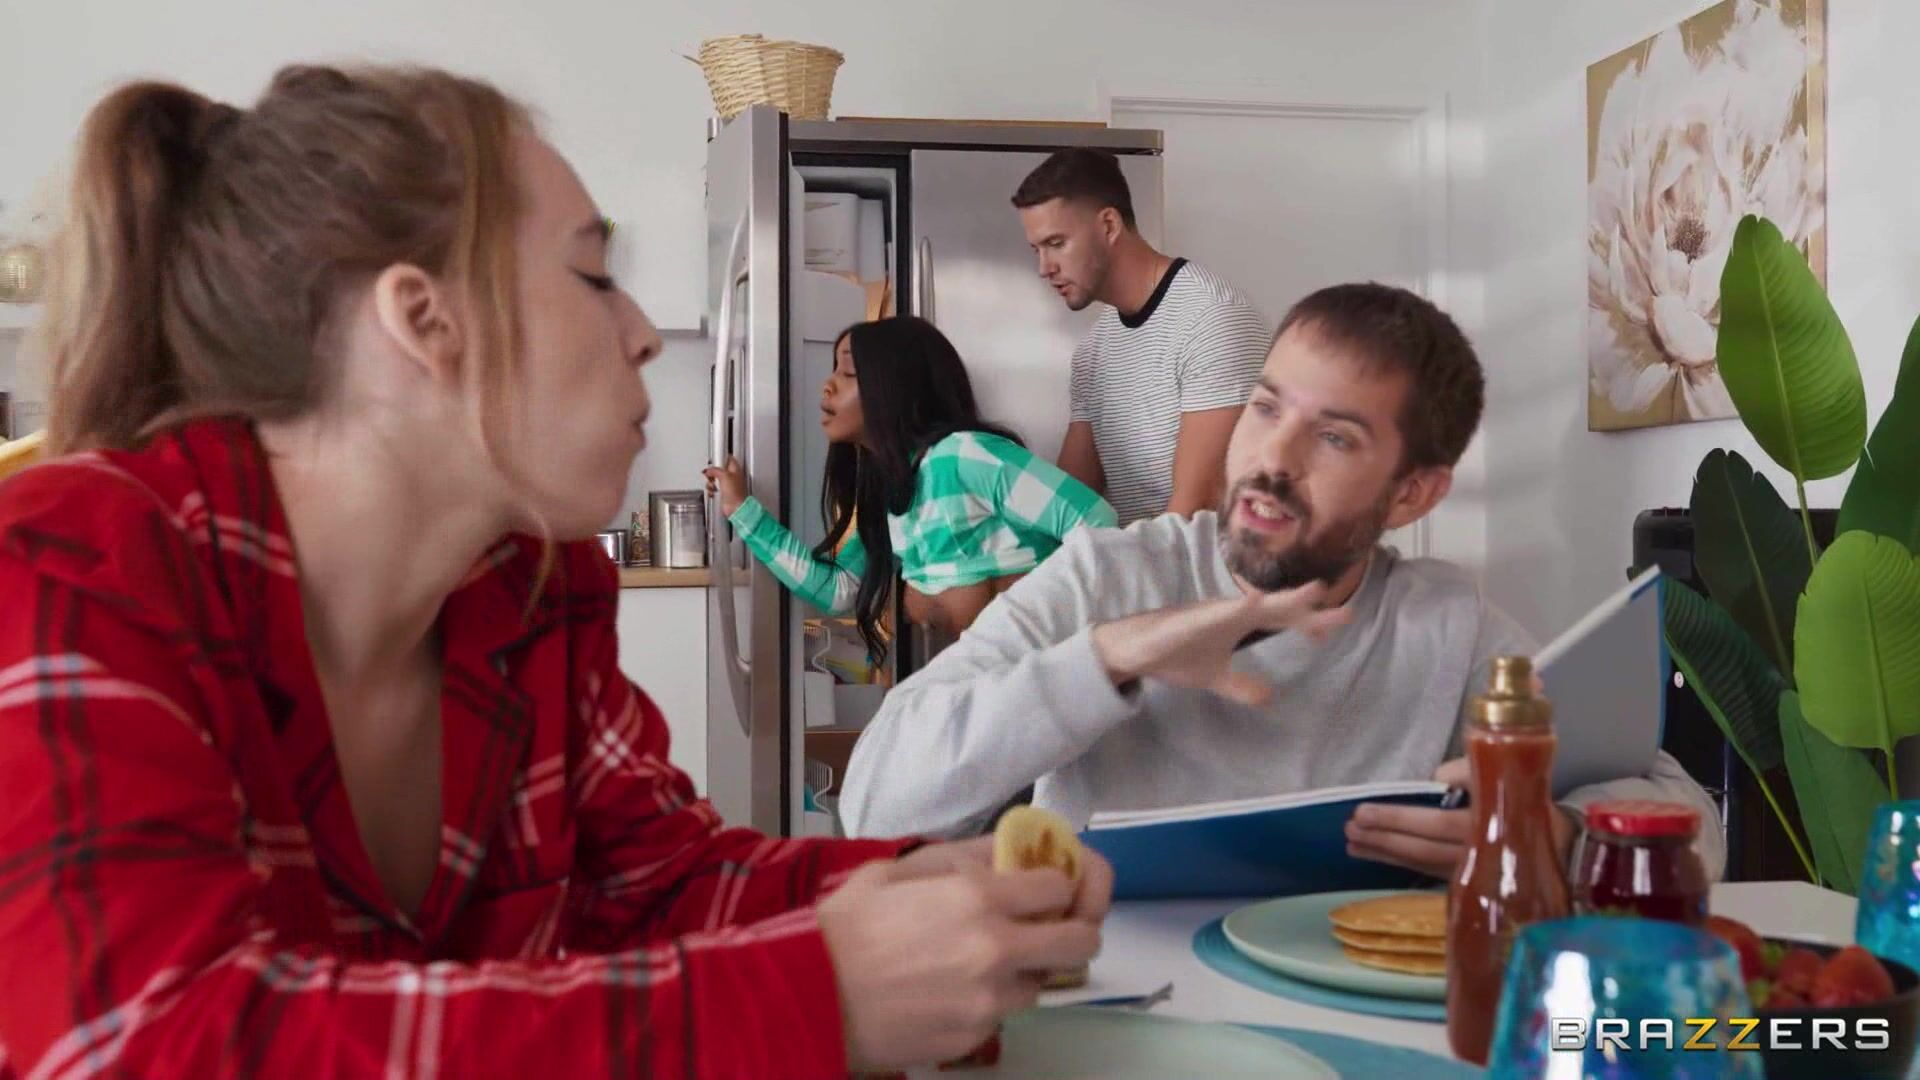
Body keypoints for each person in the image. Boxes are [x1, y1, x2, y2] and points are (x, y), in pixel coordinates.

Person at [0, 66, 1111, 1080]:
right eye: (593, 274)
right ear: (423, 320)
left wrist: (912, 890)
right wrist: (817, 998)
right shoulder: (69, 568)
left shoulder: (536, 589)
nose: (642, 333)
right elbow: (152, 1045)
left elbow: (658, 887)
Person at [839, 282, 1727, 883]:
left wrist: (1553, 837)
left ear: (1413, 494)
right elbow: (876, 804)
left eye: (1334, 437)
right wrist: (1109, 657)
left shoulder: (1444, 625)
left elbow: (1691, 821)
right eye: (1266, 408)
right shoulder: (1107, 576)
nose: (1272, 458)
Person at [704, 315, 1115, 657]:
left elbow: (1096, 520)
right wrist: (744, 512)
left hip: (1045, 678)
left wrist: (1063, 635)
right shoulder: (896, 489)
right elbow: (839, 591)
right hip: (987, 683)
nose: (827, 385)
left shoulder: (963, 457)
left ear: (895, 386)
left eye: (848, 373)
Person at [1013, 148, 1270, 527]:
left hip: (1203, 565)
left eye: (1056, 243)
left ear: (1109, 225)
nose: (1044, 268)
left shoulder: (1213, 320)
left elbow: (1193, 513)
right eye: (1037, 249)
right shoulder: (1093, 351)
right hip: (1141, 560)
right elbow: (1066, 503)